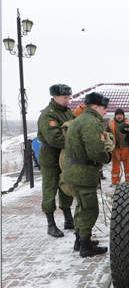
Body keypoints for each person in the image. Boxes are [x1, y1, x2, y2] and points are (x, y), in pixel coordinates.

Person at [62, 92, 112, 257]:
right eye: (104, 108)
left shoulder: (79, 120)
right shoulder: (91, 122)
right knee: (89, 209)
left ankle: (80, 240)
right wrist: (108, 157)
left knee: (81, 207)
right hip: (83, 173)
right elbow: (96, 151)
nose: (105, 112)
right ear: (96, 107)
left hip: (75, 172)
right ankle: (85, 246)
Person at [37, 84, 75, 238]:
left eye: (68, 97)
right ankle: (51, 224)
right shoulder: (48, 115)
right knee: (50, 189)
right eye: (65, 98)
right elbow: (54, 138)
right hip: (51, 157)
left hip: (64, 156)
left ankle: (68, 219)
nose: (68, 100)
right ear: (55, 97)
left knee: (66, 186)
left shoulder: (67, 112)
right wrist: (76, 146)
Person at [74, 104, 107, 180]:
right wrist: (106, 157)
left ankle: (100, 176)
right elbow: (94, 150)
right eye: (104, 109)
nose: (105, 113)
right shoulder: (89, 122)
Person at [106, 108, 129, 187]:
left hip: (126, 148)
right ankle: (114, 182)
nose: (119, 116)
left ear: (123, 115)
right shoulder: (110, 123)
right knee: (115, 166)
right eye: (117, 115)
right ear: (115, 116)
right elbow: (107, 135)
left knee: (128, 166)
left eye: (121, 115)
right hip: (115, 149)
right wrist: (108, 146)